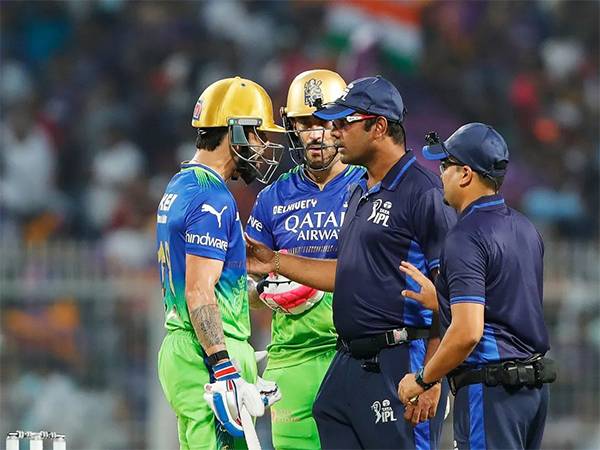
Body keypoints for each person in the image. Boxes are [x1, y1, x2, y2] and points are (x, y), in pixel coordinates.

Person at [246, 76, 456, 449]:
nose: (332, 132)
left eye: (343, 123)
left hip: (401, 358)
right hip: (351, 363)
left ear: (377, 127)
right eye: (313, 123)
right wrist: (273, 260)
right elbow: (348, 273)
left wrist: (431, 377)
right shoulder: (363, 190)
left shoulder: (423, 193)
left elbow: (451, 293)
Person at [397, 123, 557, 449]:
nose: (440, 173)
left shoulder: (465, 235)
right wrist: (441, 299)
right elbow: (502, 308)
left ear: (466, 174)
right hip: (532, 393)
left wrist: (423, 378)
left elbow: (469, 332)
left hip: (492, 392)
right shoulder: (525, 228)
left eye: (446, 165)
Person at [156, 76, 284, 450]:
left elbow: (209, 281)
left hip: (186, 348)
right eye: (258, 135)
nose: (262, 148)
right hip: (208, 355)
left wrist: (262, 294)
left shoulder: (180, 187)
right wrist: (225, 365)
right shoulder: (214, 197)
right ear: (236, 131)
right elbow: (198, 292)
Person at [246, 69, 366, 450]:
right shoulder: (271, 198)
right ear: (291, 127)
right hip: (291, 357)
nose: (315, 134)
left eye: (324, 122)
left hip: (356, 353)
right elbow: (249, 283)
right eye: (305, 123)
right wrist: (263, 291)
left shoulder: (369, 185)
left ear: (344, 124)